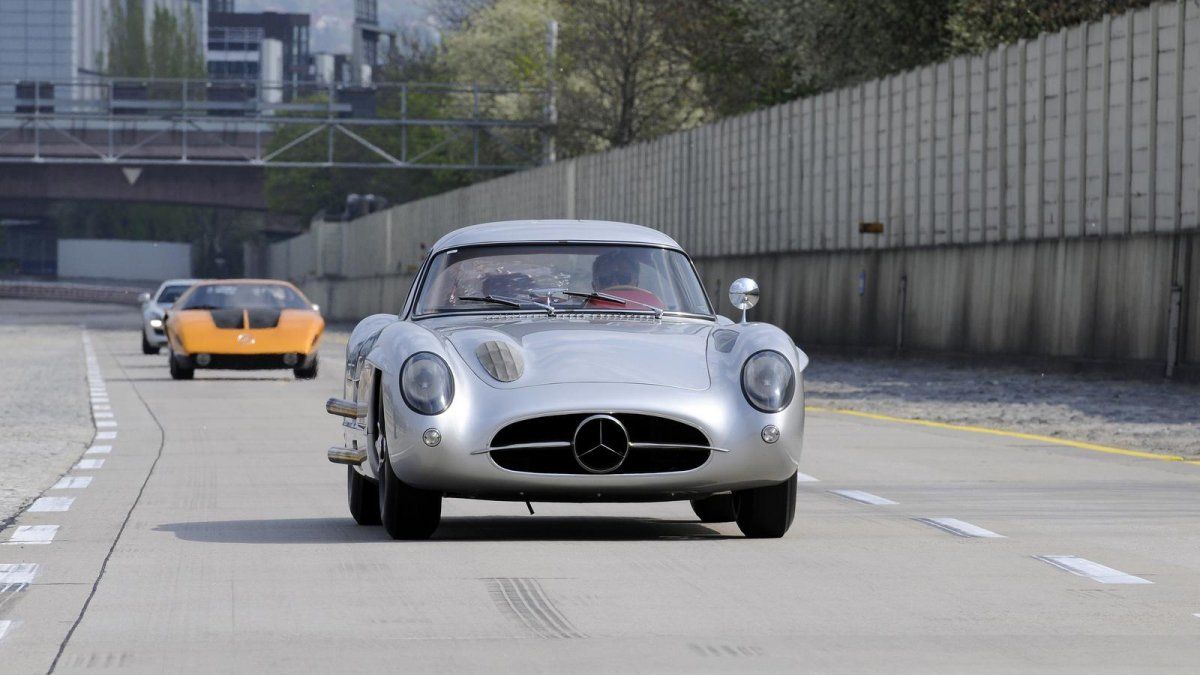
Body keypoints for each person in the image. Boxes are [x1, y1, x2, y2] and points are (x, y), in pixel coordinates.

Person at [587, 250, 664, 309]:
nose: (615, 284)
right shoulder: (583, 316)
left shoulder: (651, 311)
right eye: (606, 279)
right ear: (594, 286)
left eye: (624, 278)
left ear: (636, 283)